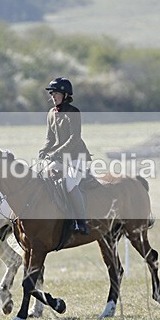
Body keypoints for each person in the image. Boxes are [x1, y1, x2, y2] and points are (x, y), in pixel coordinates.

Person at [37, 77, 91, 235]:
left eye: (57, 94)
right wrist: (43, 150)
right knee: (44, 179)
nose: (53, 97)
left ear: (66, 95)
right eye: (52, 94)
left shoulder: (73, 112)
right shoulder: (51, 113)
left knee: (69, 184)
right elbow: (50, 138)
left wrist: (56, 153)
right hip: (59, 159)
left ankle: (81, 222)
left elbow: (74, 138)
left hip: (77, 158)